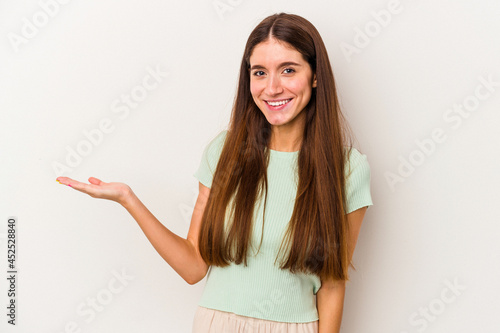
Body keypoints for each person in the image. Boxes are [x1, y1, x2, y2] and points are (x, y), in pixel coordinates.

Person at [56, 12, 373, 333]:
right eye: (260, 72)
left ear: (316, 76)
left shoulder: (347, 170)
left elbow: (332, 285)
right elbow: (194, 265)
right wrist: (128, 199)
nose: (272, 87)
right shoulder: (225, 152)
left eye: (288, 70)